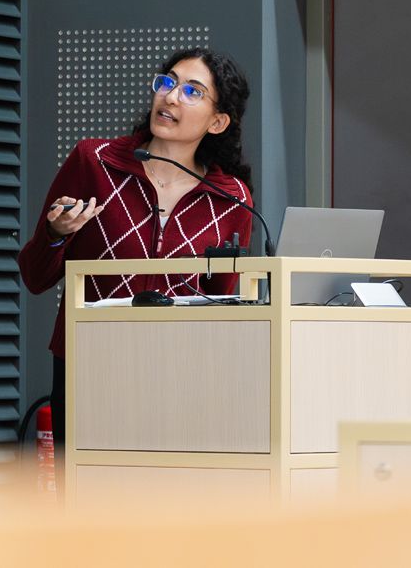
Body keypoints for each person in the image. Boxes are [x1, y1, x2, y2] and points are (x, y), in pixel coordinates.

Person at [18, 47, 255, 448]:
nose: (171, 96)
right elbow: (35, 276)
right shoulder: (95, 162)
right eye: (167, 83)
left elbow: (221, 308)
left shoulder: (230, 199)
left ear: (217, 122)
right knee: (86, 485)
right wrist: (55, 233)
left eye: (192, 91)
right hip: (89, 362)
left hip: (178, 376)